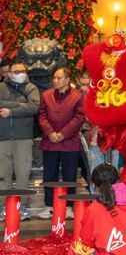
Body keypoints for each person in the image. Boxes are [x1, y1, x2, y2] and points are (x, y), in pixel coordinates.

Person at [38, 67, 85, 219]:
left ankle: (69, 206)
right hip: (50, 141)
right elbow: (41, 116)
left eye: (59, 78)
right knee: (49, 175)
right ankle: (48, 205)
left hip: (70, 141)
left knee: (69, 175)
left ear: (67, 79)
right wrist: (50, 132)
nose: (55, 81)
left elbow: (79, 117)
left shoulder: (78, 96)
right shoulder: (46, 95)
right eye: (54, 78)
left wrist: (63, 134)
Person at [75, 163, 126, 255]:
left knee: (76, 248)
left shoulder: (94, 208)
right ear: (118, 181)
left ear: (94, 186)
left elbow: (86, 241)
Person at [0, 61, 40, 221]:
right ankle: (2, 206)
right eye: (16, 71)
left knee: (23, 172)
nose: (20, 73)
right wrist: (20, 105)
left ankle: (21, 206)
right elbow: (27, 107)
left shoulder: (31, 88)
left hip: (23, 138)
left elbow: (34, 107)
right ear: (9, 73)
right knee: (3, 173)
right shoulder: (1, 87)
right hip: (3, 137)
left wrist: (10, 111)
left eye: (23, 70)